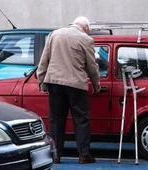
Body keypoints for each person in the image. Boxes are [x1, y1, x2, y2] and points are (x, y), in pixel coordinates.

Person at [36, 16, 100, 164]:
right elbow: (92, 66)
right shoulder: (86, 39)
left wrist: (42, 82)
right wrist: (96, 85)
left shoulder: (54, 34)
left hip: (55, 82)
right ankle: (84, 155)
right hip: (76, 84)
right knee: (81, 119)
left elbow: (44, 60)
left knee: (56, 120)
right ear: (85, 27)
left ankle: (56, 155)